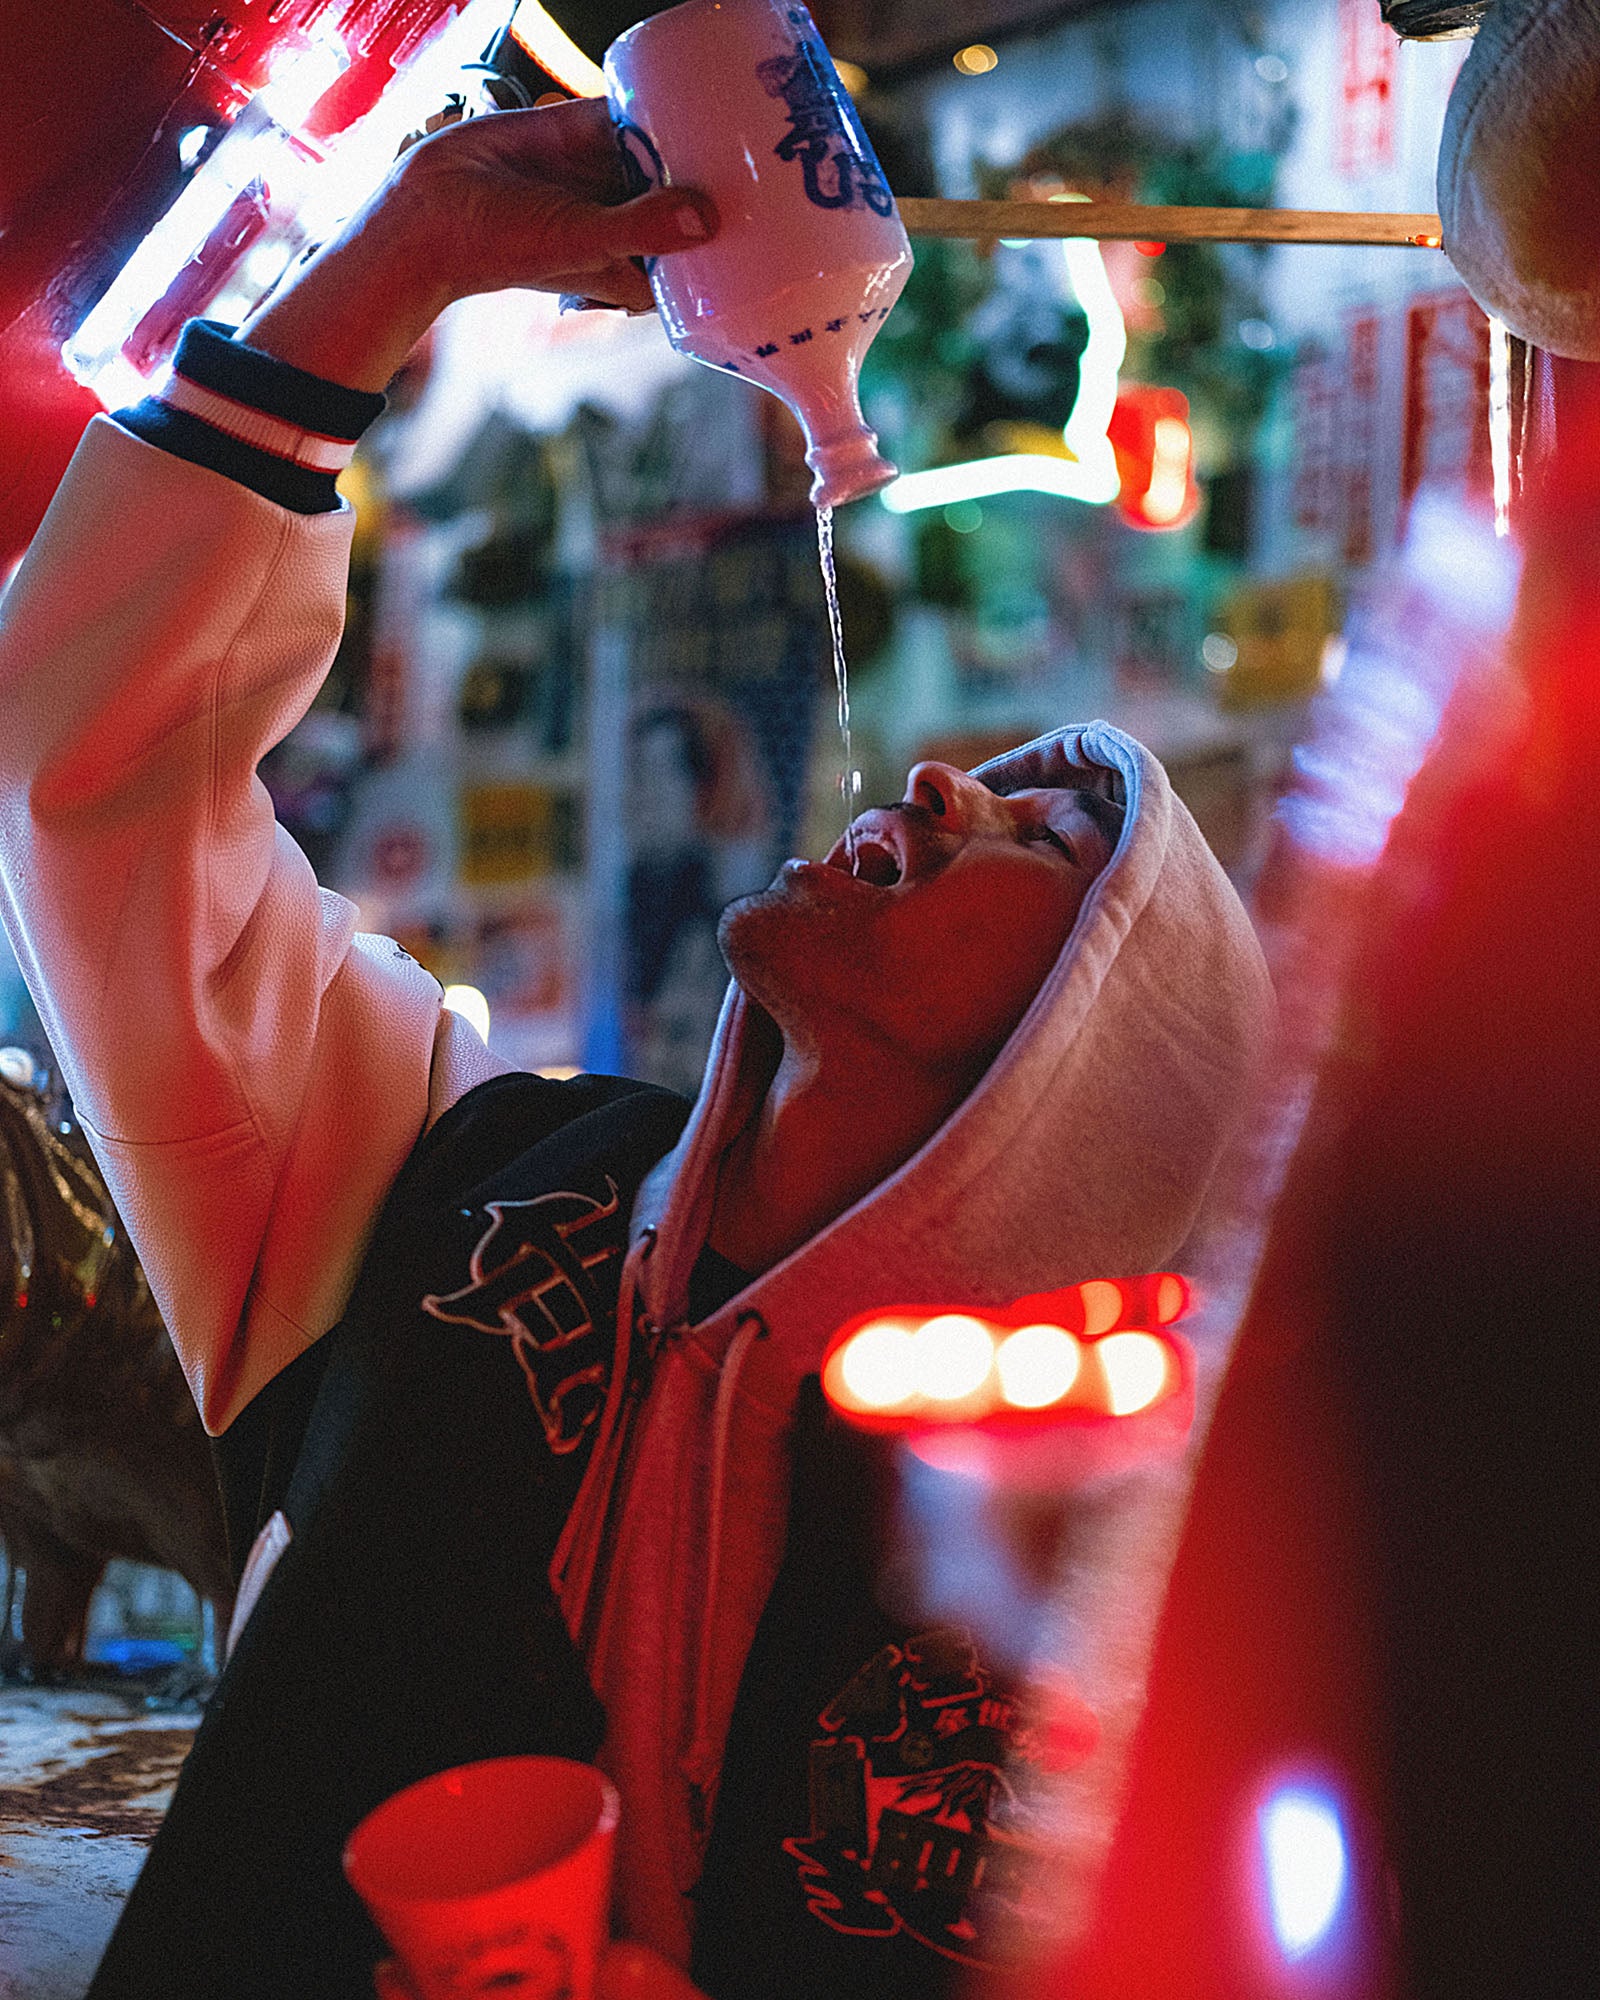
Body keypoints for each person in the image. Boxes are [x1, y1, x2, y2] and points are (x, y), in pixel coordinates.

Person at [0, 97, 1273, 1999]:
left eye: (1049, 838)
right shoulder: (458, 1176)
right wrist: (396, 269)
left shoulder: (1061, 1582)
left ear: (1098, 1073)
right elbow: (101, 775)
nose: (949, 786)